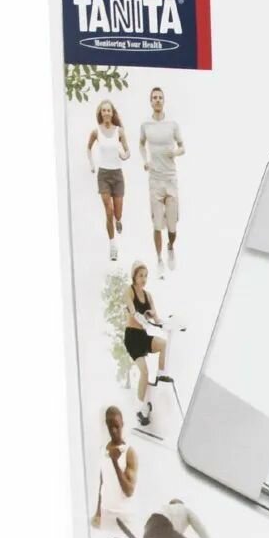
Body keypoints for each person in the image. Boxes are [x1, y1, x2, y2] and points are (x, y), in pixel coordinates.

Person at [139, 87, 184, 277]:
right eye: (154, 98)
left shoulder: (172, 124)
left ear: (163, 101)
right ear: (150, 101)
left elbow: (182, 147)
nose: (157, 100)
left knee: (172, 226)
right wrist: (145, 161)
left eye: (160, 97)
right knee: (157, 225)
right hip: (155, 180)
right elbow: (141, 144)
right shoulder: (146, 125)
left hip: (170, 179)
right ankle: (158, 259)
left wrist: (175, 152)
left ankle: (170, 247)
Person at [124, 261, 169, 426]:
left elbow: (156, 319)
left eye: (146, 276)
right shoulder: (129, 291)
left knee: (163, 344)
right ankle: (141, 409)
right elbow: (132, 310)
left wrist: (165, 323)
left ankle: (161, 375)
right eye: (140, 275)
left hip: (143, 336)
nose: (143, 279)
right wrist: (140, 317)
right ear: (134, 276)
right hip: (132, 337)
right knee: (144, 371)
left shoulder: (148, 296)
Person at [86, 100, 130, 261]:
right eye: (103, 110)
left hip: (117, 175)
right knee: (108, 212)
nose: (106, 113)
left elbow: (127, 151)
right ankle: (113, 246)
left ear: (112, 113)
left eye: (108, 110)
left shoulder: (119, 131)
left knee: (117, 213)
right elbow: (88, 148)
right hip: (103, 175)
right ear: (100, 113)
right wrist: (92, 164)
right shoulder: (95, 131)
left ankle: (119, 220)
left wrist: (124, 155)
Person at [91, 406, 139, 531]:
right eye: (110, 426)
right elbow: (103, 483)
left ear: (122, 424)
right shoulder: (103, 450)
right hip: (106, 513)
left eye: (117, 426)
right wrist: (98, 513)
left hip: (124, 517)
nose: (114, 430)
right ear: (106, 425)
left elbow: (129, 491)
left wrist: (115, 463)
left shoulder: (129, 452)